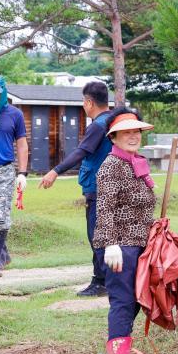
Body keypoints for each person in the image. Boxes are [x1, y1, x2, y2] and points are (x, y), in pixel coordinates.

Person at [92, 108, 155, 354]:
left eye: (136, 131)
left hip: (138, 245)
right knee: (123, 302)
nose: (133, 136)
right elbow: (104, 207)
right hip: (120, 247)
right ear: (114, 137)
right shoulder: (111, 166)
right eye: (126, 132)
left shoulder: (134, 161)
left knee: (135, 301)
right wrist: (110, 244)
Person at [39, 81, 112, 297]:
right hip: (111, 186)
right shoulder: (115, 120)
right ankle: (100, 280)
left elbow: (81, 152)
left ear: (89, 102)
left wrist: (55, 171)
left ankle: (105, 282)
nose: (83, 105)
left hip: (98, 188)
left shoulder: (98, 125)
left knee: (96, 235)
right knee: (101, 235)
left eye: (83, 102)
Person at [0, 74, 28, 278]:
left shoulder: (15, 114)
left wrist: (23, 173)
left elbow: (22, 144)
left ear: (3, 91)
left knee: (0, 217)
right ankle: (3, 253)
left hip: (4, 171)